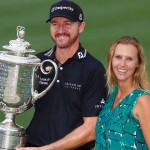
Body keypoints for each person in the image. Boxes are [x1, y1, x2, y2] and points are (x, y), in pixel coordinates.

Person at [16, 0, 108, 150]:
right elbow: (16, 101)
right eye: (54, 24)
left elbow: (91, 130)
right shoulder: (38, 62)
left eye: (67, 23)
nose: (60, 30)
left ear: (81, 27)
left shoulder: (93, 69)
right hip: (32, 145)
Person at [95, 36, 150, 149]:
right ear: (111, 60)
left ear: (137, 64)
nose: (122, 64)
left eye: (129, 59)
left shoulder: (142, 100)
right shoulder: (112, 95)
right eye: (118, 57)